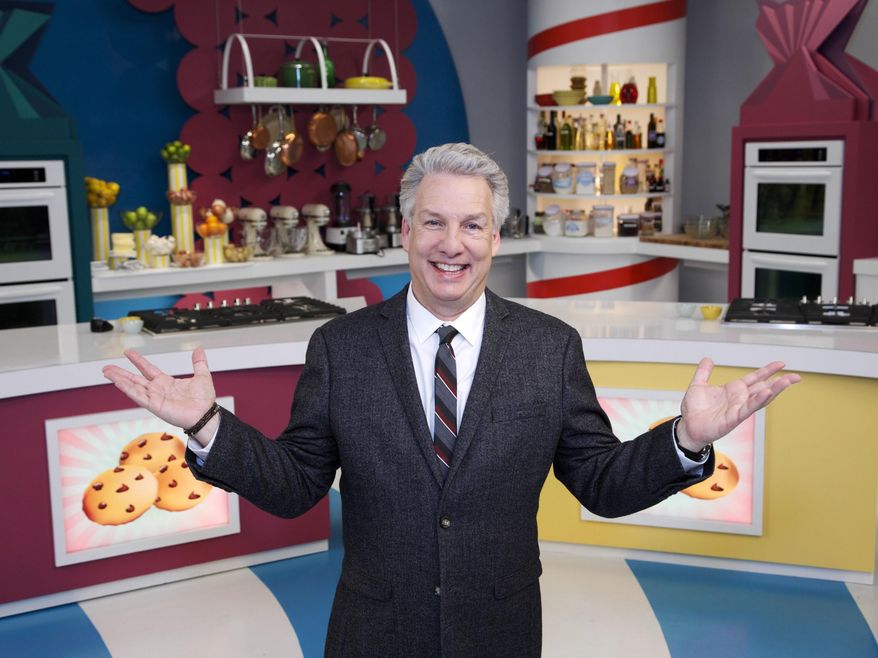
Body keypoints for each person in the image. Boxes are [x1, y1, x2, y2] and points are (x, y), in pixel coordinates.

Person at [103, 143, 800, 657]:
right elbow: (295, 486)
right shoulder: (341, 348)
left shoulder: (548, 347)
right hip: (375, 630)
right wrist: (204, 425)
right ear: (404, 232)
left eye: (472, 226)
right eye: (433, 223)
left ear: (495, 237)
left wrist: (684, 439)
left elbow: (600, 481)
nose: (452, 245)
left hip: (499, 628)